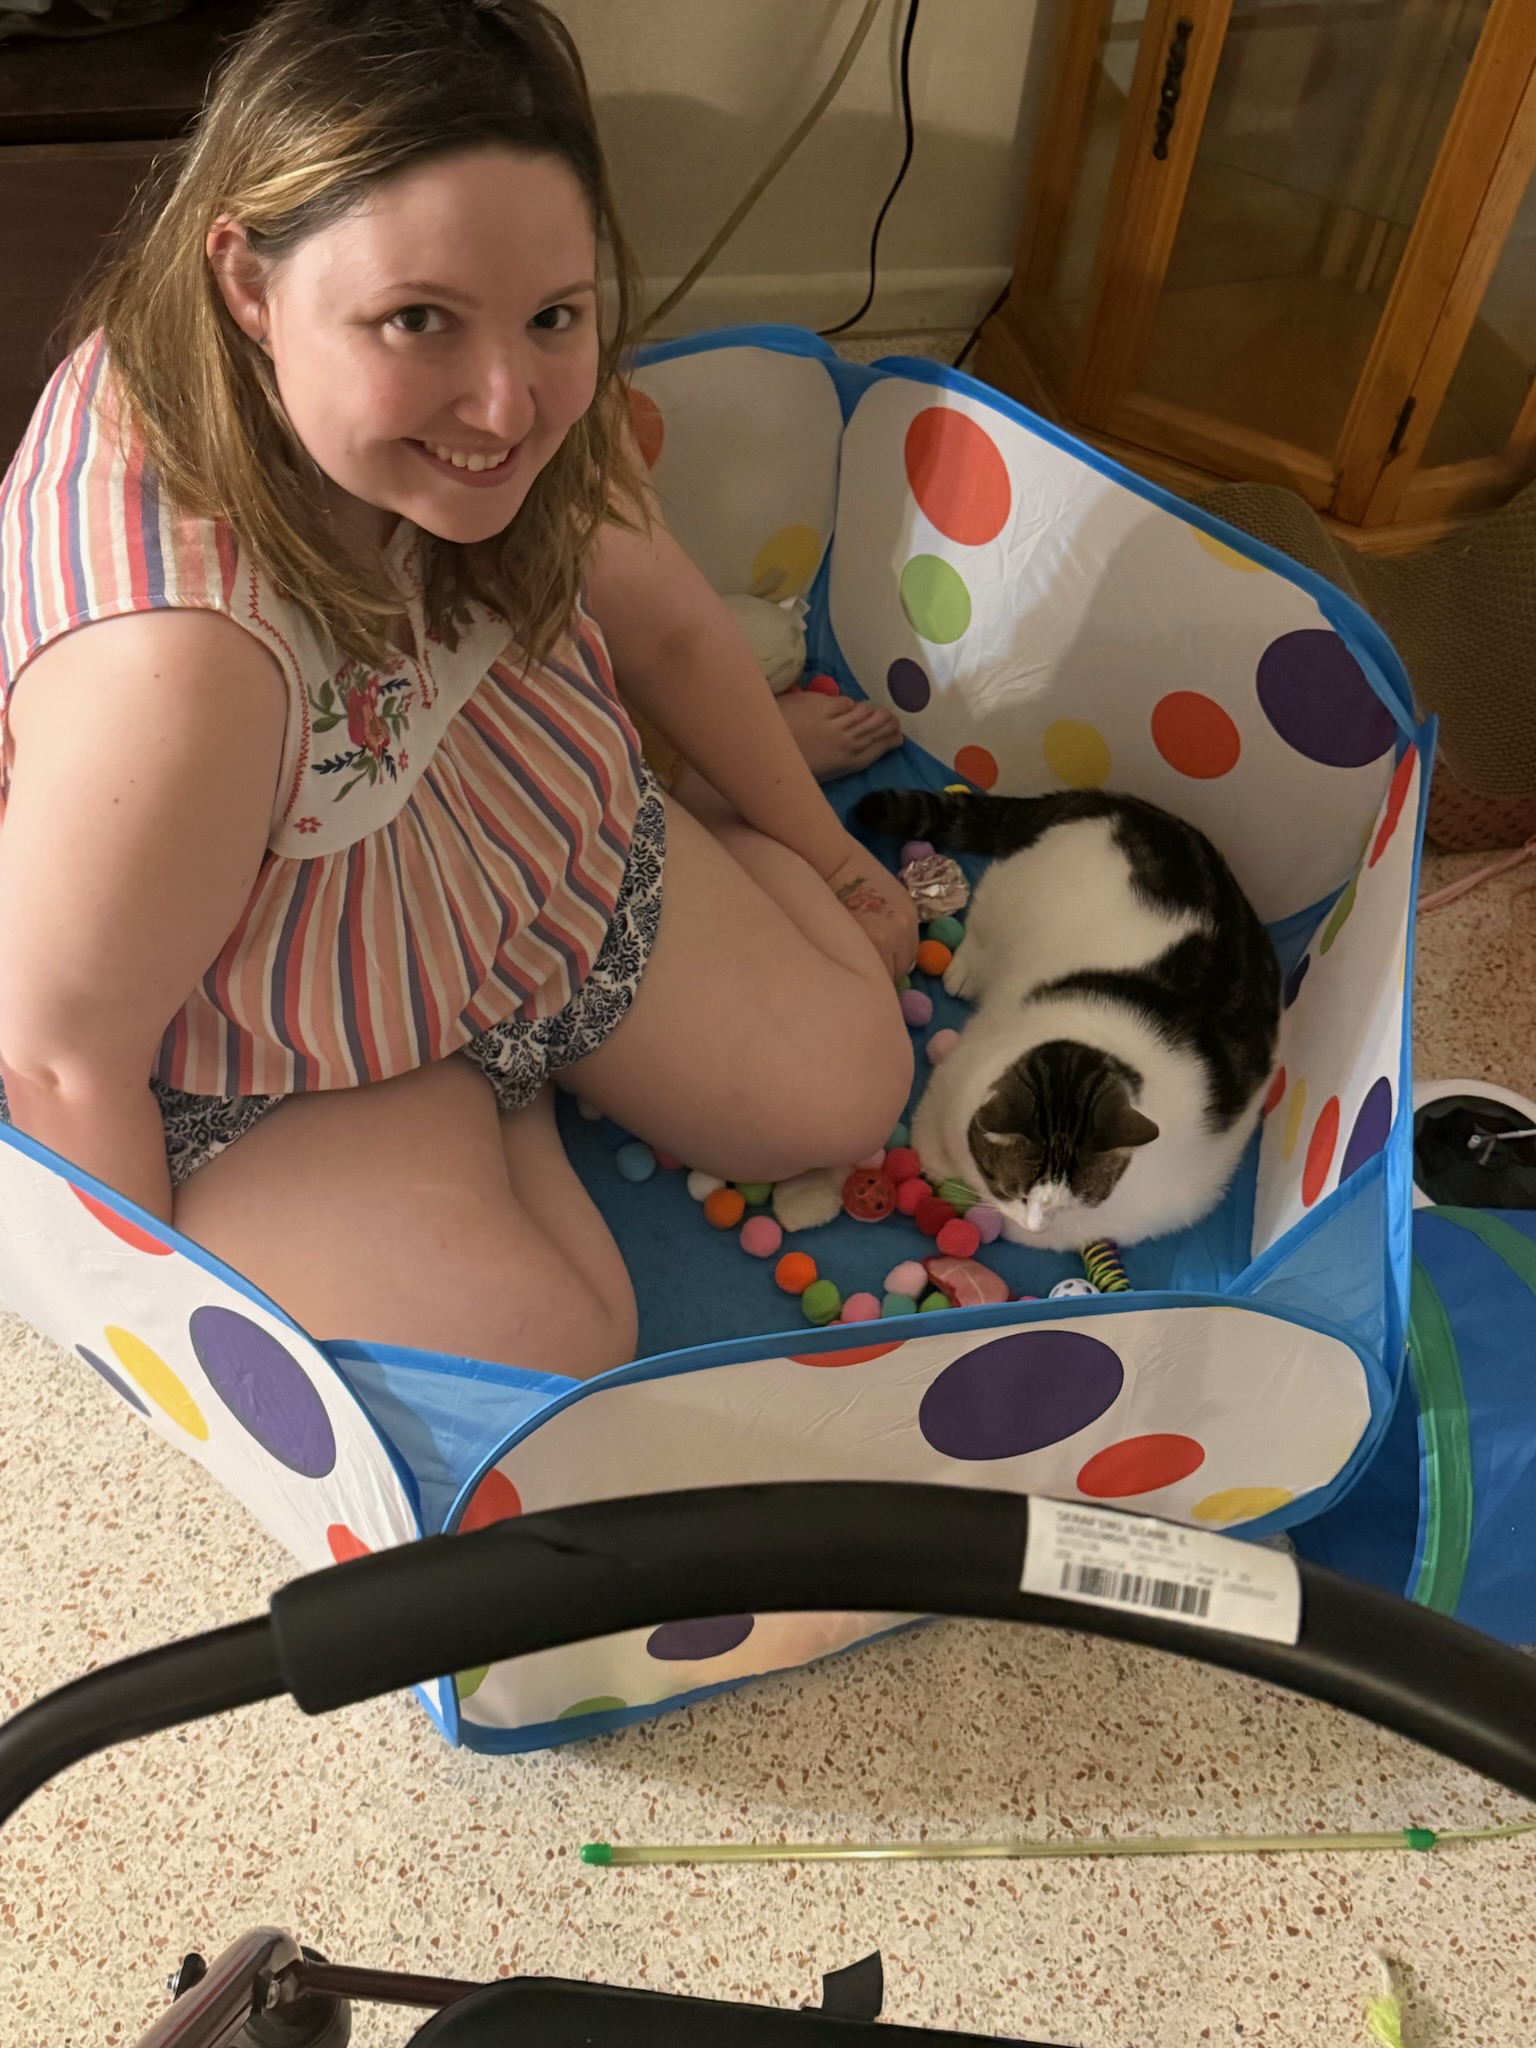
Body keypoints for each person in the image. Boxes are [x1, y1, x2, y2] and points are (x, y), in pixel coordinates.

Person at [0, 0, 915, 1381]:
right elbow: (61, 1062)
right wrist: (129, 1366)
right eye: (415, 320)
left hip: (493, 817)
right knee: (552, 1360)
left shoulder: (522, 392)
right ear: (246, 284)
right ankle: (477, 1091)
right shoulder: (174, 670)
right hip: (258, 999)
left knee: (848, 1088)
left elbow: (665, 625)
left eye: (555, 315)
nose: (504, 406)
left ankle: (513, 1036)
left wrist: (829, 854)